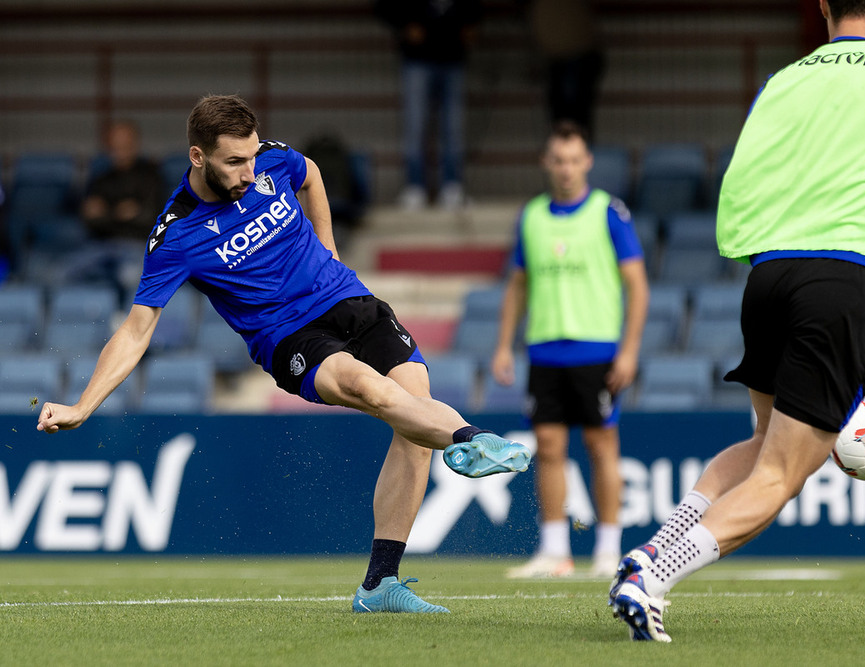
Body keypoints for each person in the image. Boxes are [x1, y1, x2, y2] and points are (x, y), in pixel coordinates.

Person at [37, 94, 531, 614]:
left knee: (414, 413)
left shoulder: (268, 158)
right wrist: (83, 405)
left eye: (252, 157)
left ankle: (380, 584)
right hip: (288, 337)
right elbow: (137, 330)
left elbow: (311, 173)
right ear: (198, 157)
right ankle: (471, 438)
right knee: (370, 388)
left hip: (344, 297)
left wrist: (329, 246)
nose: (250, 172)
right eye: (234, 162)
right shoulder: (177, 234)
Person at [607, 0, 865, 642]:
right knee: (780, 474)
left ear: (822, 8)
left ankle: (650, 551)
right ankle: (653, 579)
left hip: (768, 276)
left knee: (765, 443)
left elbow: (742, 181)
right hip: (846, 281)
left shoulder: (782, 80)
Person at [492, 120, 648, 579]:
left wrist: (630, 350)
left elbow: (637, 285)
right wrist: (504, 345)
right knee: (549, 447)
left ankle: (606, 550)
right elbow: (517, 286)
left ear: (587, 162)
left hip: (597, 349)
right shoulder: (532, 216)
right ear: (547, 163)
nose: (566, 169)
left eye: (574, 160)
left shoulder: (608, 212)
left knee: (602, 446)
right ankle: (555, 550)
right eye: (558, 160)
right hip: (544, 350)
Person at [374, 0, 482, 211]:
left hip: (453, 56)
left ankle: (452, 187)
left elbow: (475, 8)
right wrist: (403, 25)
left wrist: (472, 23)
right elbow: (382, 7)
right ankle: (415, 187)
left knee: (453, 127)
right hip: (417, 57)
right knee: (415, 125)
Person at [67, 120, 166, 293]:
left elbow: (149, 219)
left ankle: (123, 318)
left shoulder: (151, 176)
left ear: (135, 144)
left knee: (130, 276)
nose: (119, 151)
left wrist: (106, 213)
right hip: (101, 246)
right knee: (61, 275)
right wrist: (121, 213)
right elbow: (90, 220)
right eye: (115, 146)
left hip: (137, 246)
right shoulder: (101, 179)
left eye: (125, 145)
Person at [526, 0, 605, 138]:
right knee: (562, 114)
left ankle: (576, 147)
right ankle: (567, 147)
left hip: (578, 54)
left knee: (574, 114)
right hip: (557, 58)